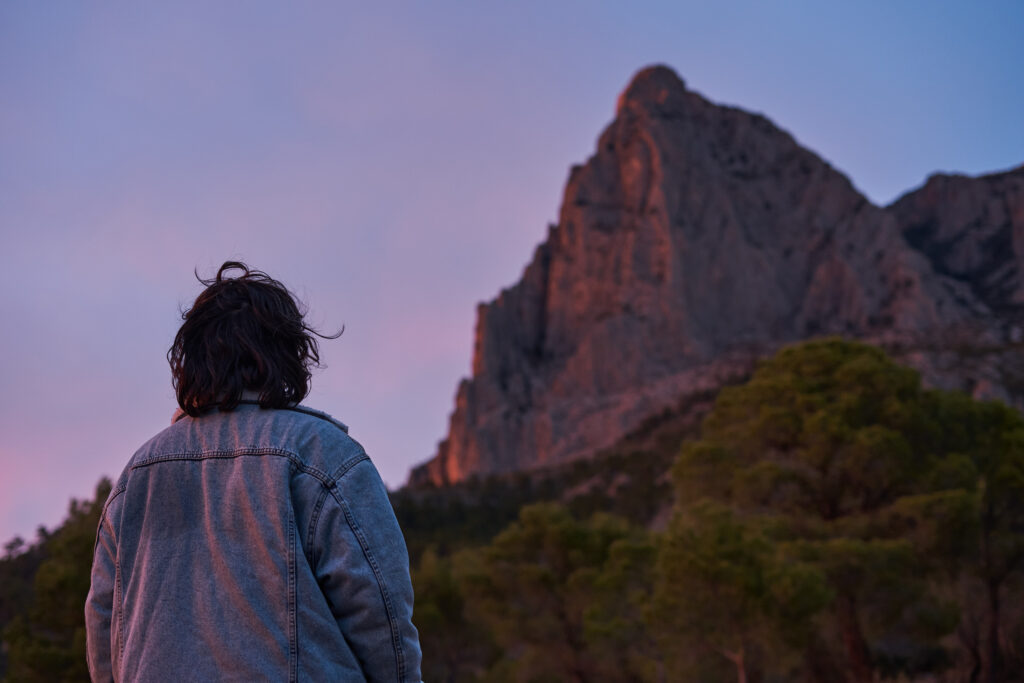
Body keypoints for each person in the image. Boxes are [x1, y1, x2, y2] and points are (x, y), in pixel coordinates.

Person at [85, 262, 422, 682]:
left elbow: (104, 625)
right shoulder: (324, 455)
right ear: (287, 355)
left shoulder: (136, 477)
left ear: (191, 360)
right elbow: (379, 611)